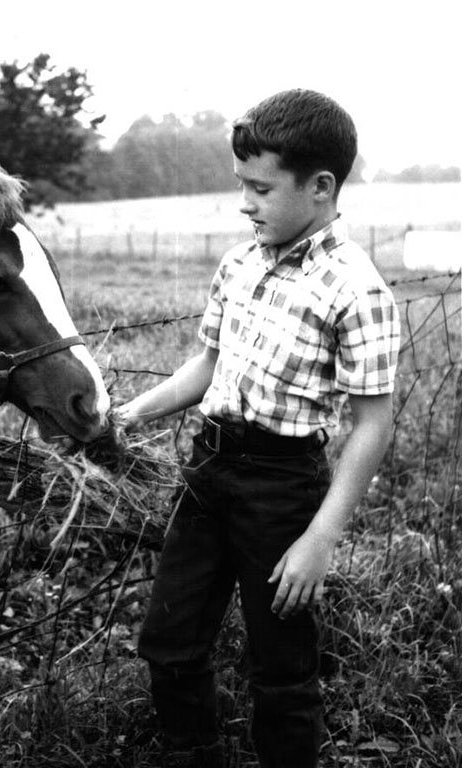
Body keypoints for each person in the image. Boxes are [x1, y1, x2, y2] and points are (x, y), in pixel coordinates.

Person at [117, 89, 400, 767]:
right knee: (170, 641)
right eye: (241, 185)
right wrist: (132, 412)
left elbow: (371, 425)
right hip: (208, 470)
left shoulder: (356, 290)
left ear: (321, 187)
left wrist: (319, 540)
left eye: (260, 188)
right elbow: (205, 366)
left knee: (282, 666)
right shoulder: (239, 264)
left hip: (283, 488)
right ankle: (192, 753)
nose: (245, 202)